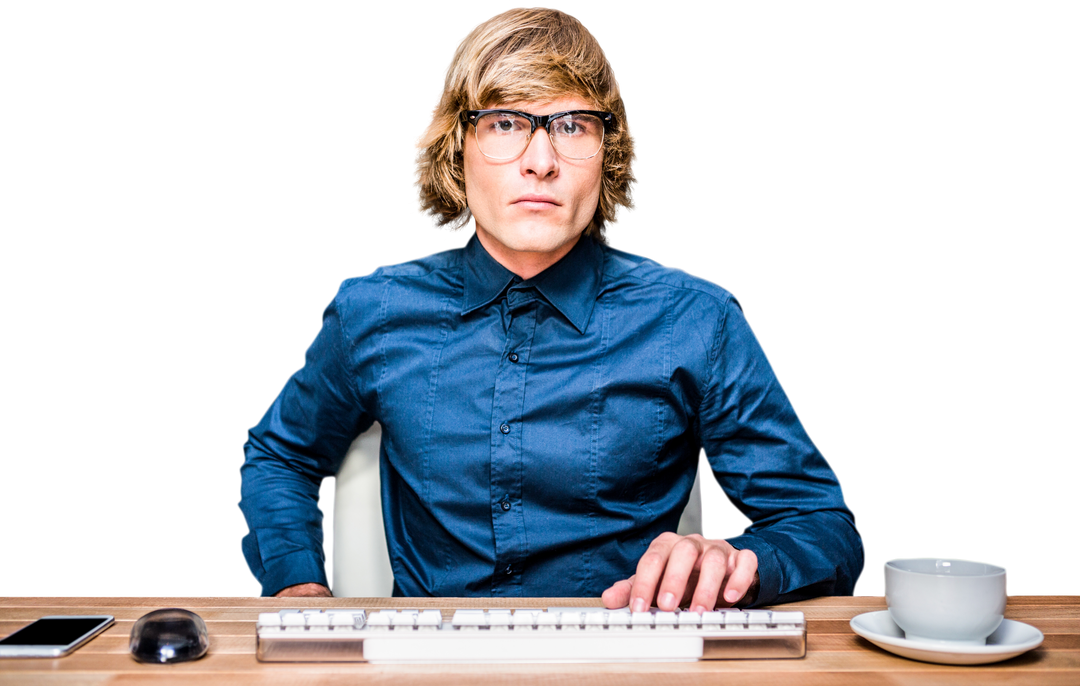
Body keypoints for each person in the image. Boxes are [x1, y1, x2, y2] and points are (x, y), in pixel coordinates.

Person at [236, 3, 866, 611]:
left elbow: (820, 525)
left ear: (607, 154)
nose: (541, 162)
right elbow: (281, 454)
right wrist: (298, 589)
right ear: (458, 149)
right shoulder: (371, 309)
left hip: (626, 664)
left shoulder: (698, 319)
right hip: (428, 666)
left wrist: (739, 561)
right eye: (506, 123)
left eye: (573, 127)